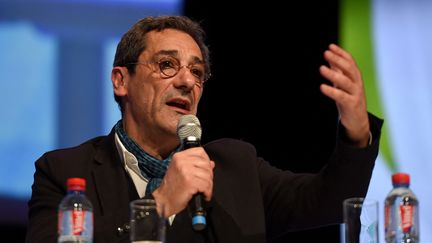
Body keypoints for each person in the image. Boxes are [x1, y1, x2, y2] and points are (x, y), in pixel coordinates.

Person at [25, 16, 383, 243]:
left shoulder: (234, 164)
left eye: (197, 72)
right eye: (167, 65)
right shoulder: (65, 170)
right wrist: (159, 204)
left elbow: (330, 203)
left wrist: (356, 131)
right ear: (121, 80)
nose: (186, 81)